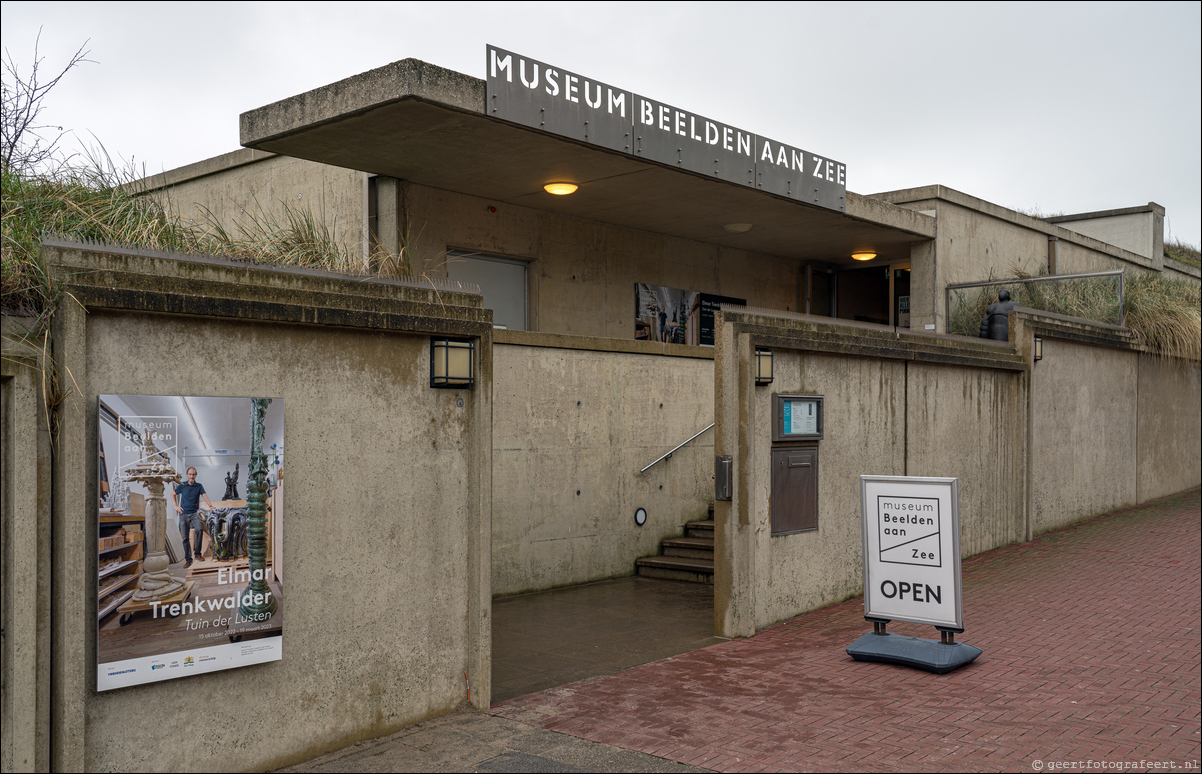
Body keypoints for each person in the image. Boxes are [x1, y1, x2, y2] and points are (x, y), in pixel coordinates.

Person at [172, 466, 214, 568]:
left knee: (199, 530)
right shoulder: (182, 485)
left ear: (195, 476)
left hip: (195, 513)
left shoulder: (199, 486)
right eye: (190, 474)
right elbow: (172, 494)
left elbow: (205, 495)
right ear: (187, 475)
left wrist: (210, 506)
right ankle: (188, 559)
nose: (192, 476)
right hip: (184, 514)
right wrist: (176, 506)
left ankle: (197, 554)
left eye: (193, 474)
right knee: (185, 537)